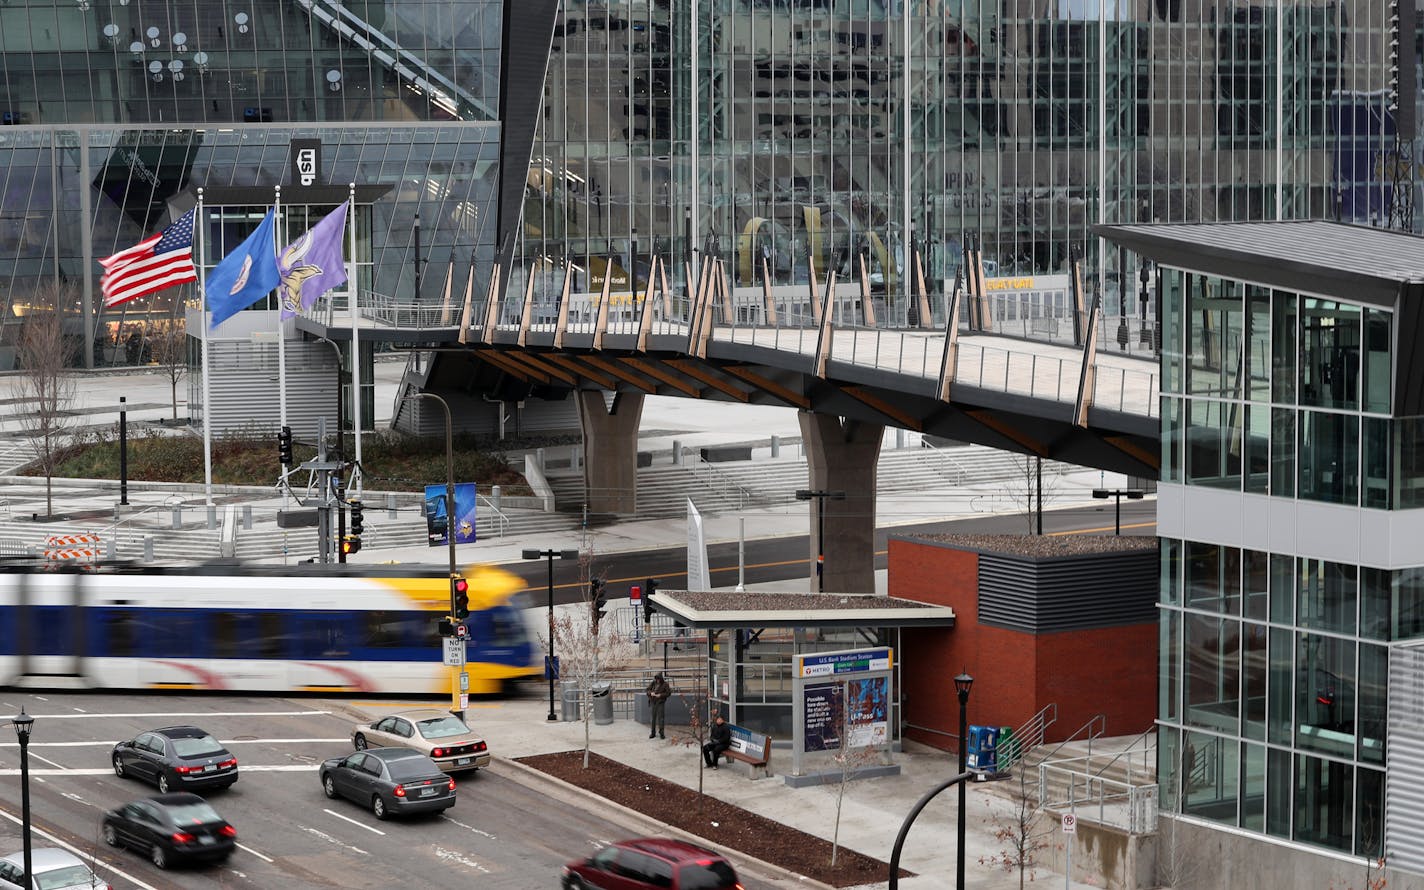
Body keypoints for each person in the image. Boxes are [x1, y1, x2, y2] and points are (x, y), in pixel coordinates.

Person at [646, 672, 671, 739]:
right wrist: (651, 693)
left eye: (659, 679)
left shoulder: (665, 684)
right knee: (653, 719)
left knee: (661, 719)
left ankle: (661, 733)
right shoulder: (653, 683)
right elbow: (647, 689)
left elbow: (668, 693)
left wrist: (660, 695)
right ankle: (653, 733)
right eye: (656, 679)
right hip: (653, 702)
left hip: (660, 703)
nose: (657, 680)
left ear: (661, 678)